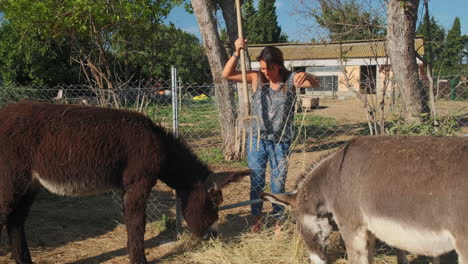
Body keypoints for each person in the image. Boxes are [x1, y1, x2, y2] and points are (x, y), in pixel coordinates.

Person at [222, 38, 319, 233]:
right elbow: (227, 74)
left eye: (269, 68)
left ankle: (277, 221)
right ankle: (256, 218)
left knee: (277, 184)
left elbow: (315, 82)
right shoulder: (256, 78)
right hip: (257, 141)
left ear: (279, 65)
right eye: (263, 68)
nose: (265, 72)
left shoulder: (290, 80)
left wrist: (305, 74)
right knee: (256, 181)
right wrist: (236, 52)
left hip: (281, 142)